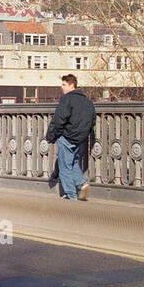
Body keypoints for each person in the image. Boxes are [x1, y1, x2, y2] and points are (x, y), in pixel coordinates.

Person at [45, 73, 96, 201]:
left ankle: (71, 195)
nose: (61, 87)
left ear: (71, 85)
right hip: (81, 139)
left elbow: (59, 119)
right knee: (73, 163)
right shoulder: (87, 101)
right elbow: (92, 120)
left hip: (67, 137)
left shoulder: (67, 99)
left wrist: (51, 135)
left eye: (63, 84)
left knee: (64, 167)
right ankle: (82, 183)